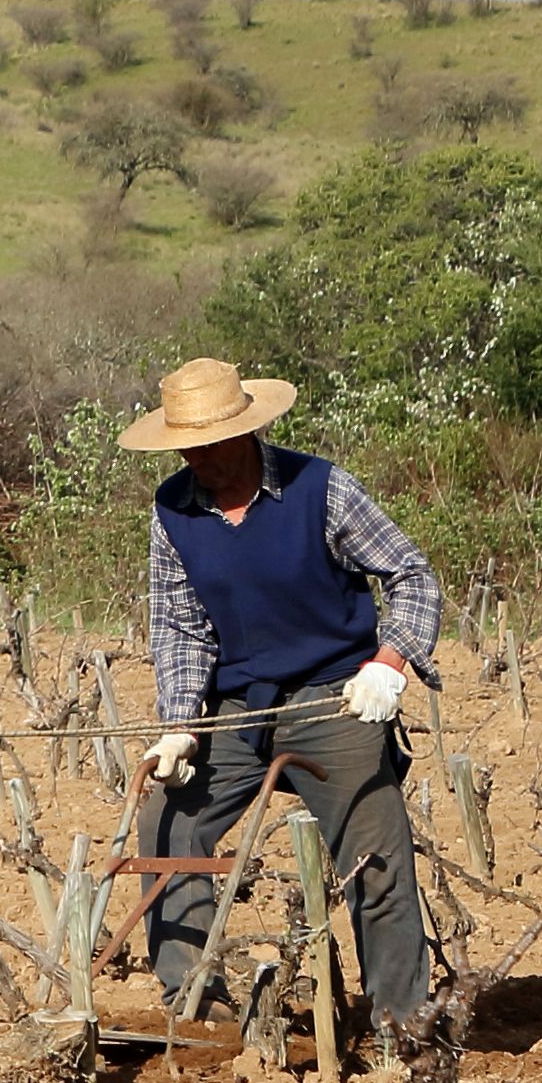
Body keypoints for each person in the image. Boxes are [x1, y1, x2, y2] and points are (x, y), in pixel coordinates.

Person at [124, 354, 443, 1033]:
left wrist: (389, 663)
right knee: (168, 824)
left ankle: (403, 1027)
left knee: (375, 858)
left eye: (210, 443)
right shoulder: (172, 512)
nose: (199, 458)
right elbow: (181, 631)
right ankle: (199, 1004)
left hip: (337, 697)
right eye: (187, 446)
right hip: (241, 708)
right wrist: (180, 727)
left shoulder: (321, 489)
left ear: (247, 431)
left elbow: (412, 577)